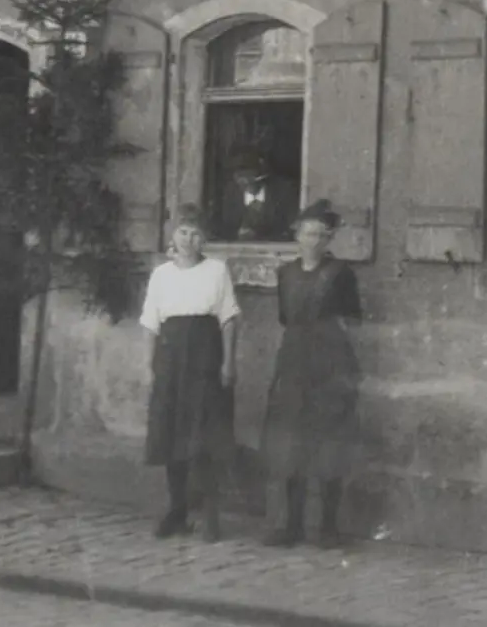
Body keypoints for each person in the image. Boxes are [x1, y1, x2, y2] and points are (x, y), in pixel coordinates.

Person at [260, 200, 364, 548]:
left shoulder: (340, 274)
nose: (313, 240)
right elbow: (285, 318)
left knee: (329, 444)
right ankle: (292, 525)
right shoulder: (285, 274)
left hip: (330, 365)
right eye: (307, 233)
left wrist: (342, 369)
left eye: (321, 234)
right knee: (292, 444)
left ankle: (329, 527)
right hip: (293, 365)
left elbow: (351, 320)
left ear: (329, 239)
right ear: (297, 236)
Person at [139, 204, 241, 542]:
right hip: (170, 357)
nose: (188, 239)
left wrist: (228, 362)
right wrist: (149, 366)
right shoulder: (161, 275)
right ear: (173, 234)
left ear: (205, 239)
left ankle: (211, 514)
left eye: (196, 233)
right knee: (172, 433)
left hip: (205, 356)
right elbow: (151, 325)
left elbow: (228, 319)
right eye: (183, 232)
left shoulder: (216, 270)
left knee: (206, 433)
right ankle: (177, 511)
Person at [223, 150, 299, 243]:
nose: (246, 181)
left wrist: (259, 236)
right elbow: (223, 230)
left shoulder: (284, 193)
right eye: (240, 177)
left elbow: (292, 230)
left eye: (250, 175)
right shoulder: (229, 196)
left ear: (262, 174)